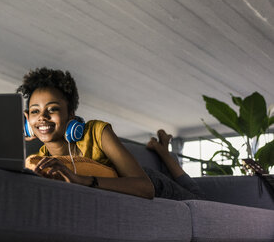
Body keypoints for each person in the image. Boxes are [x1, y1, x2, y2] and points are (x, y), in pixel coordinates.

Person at [17, 67, 204, 200]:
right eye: (35, 111)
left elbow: (146, 188)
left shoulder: (97, 132)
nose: (42, 117)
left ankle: (162, 150)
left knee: (197, 196)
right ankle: (162, 148)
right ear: (27, 121)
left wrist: (82, 180)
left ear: (71, 114)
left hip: (155, 182)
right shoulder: (41, 160)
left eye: (53, 109)